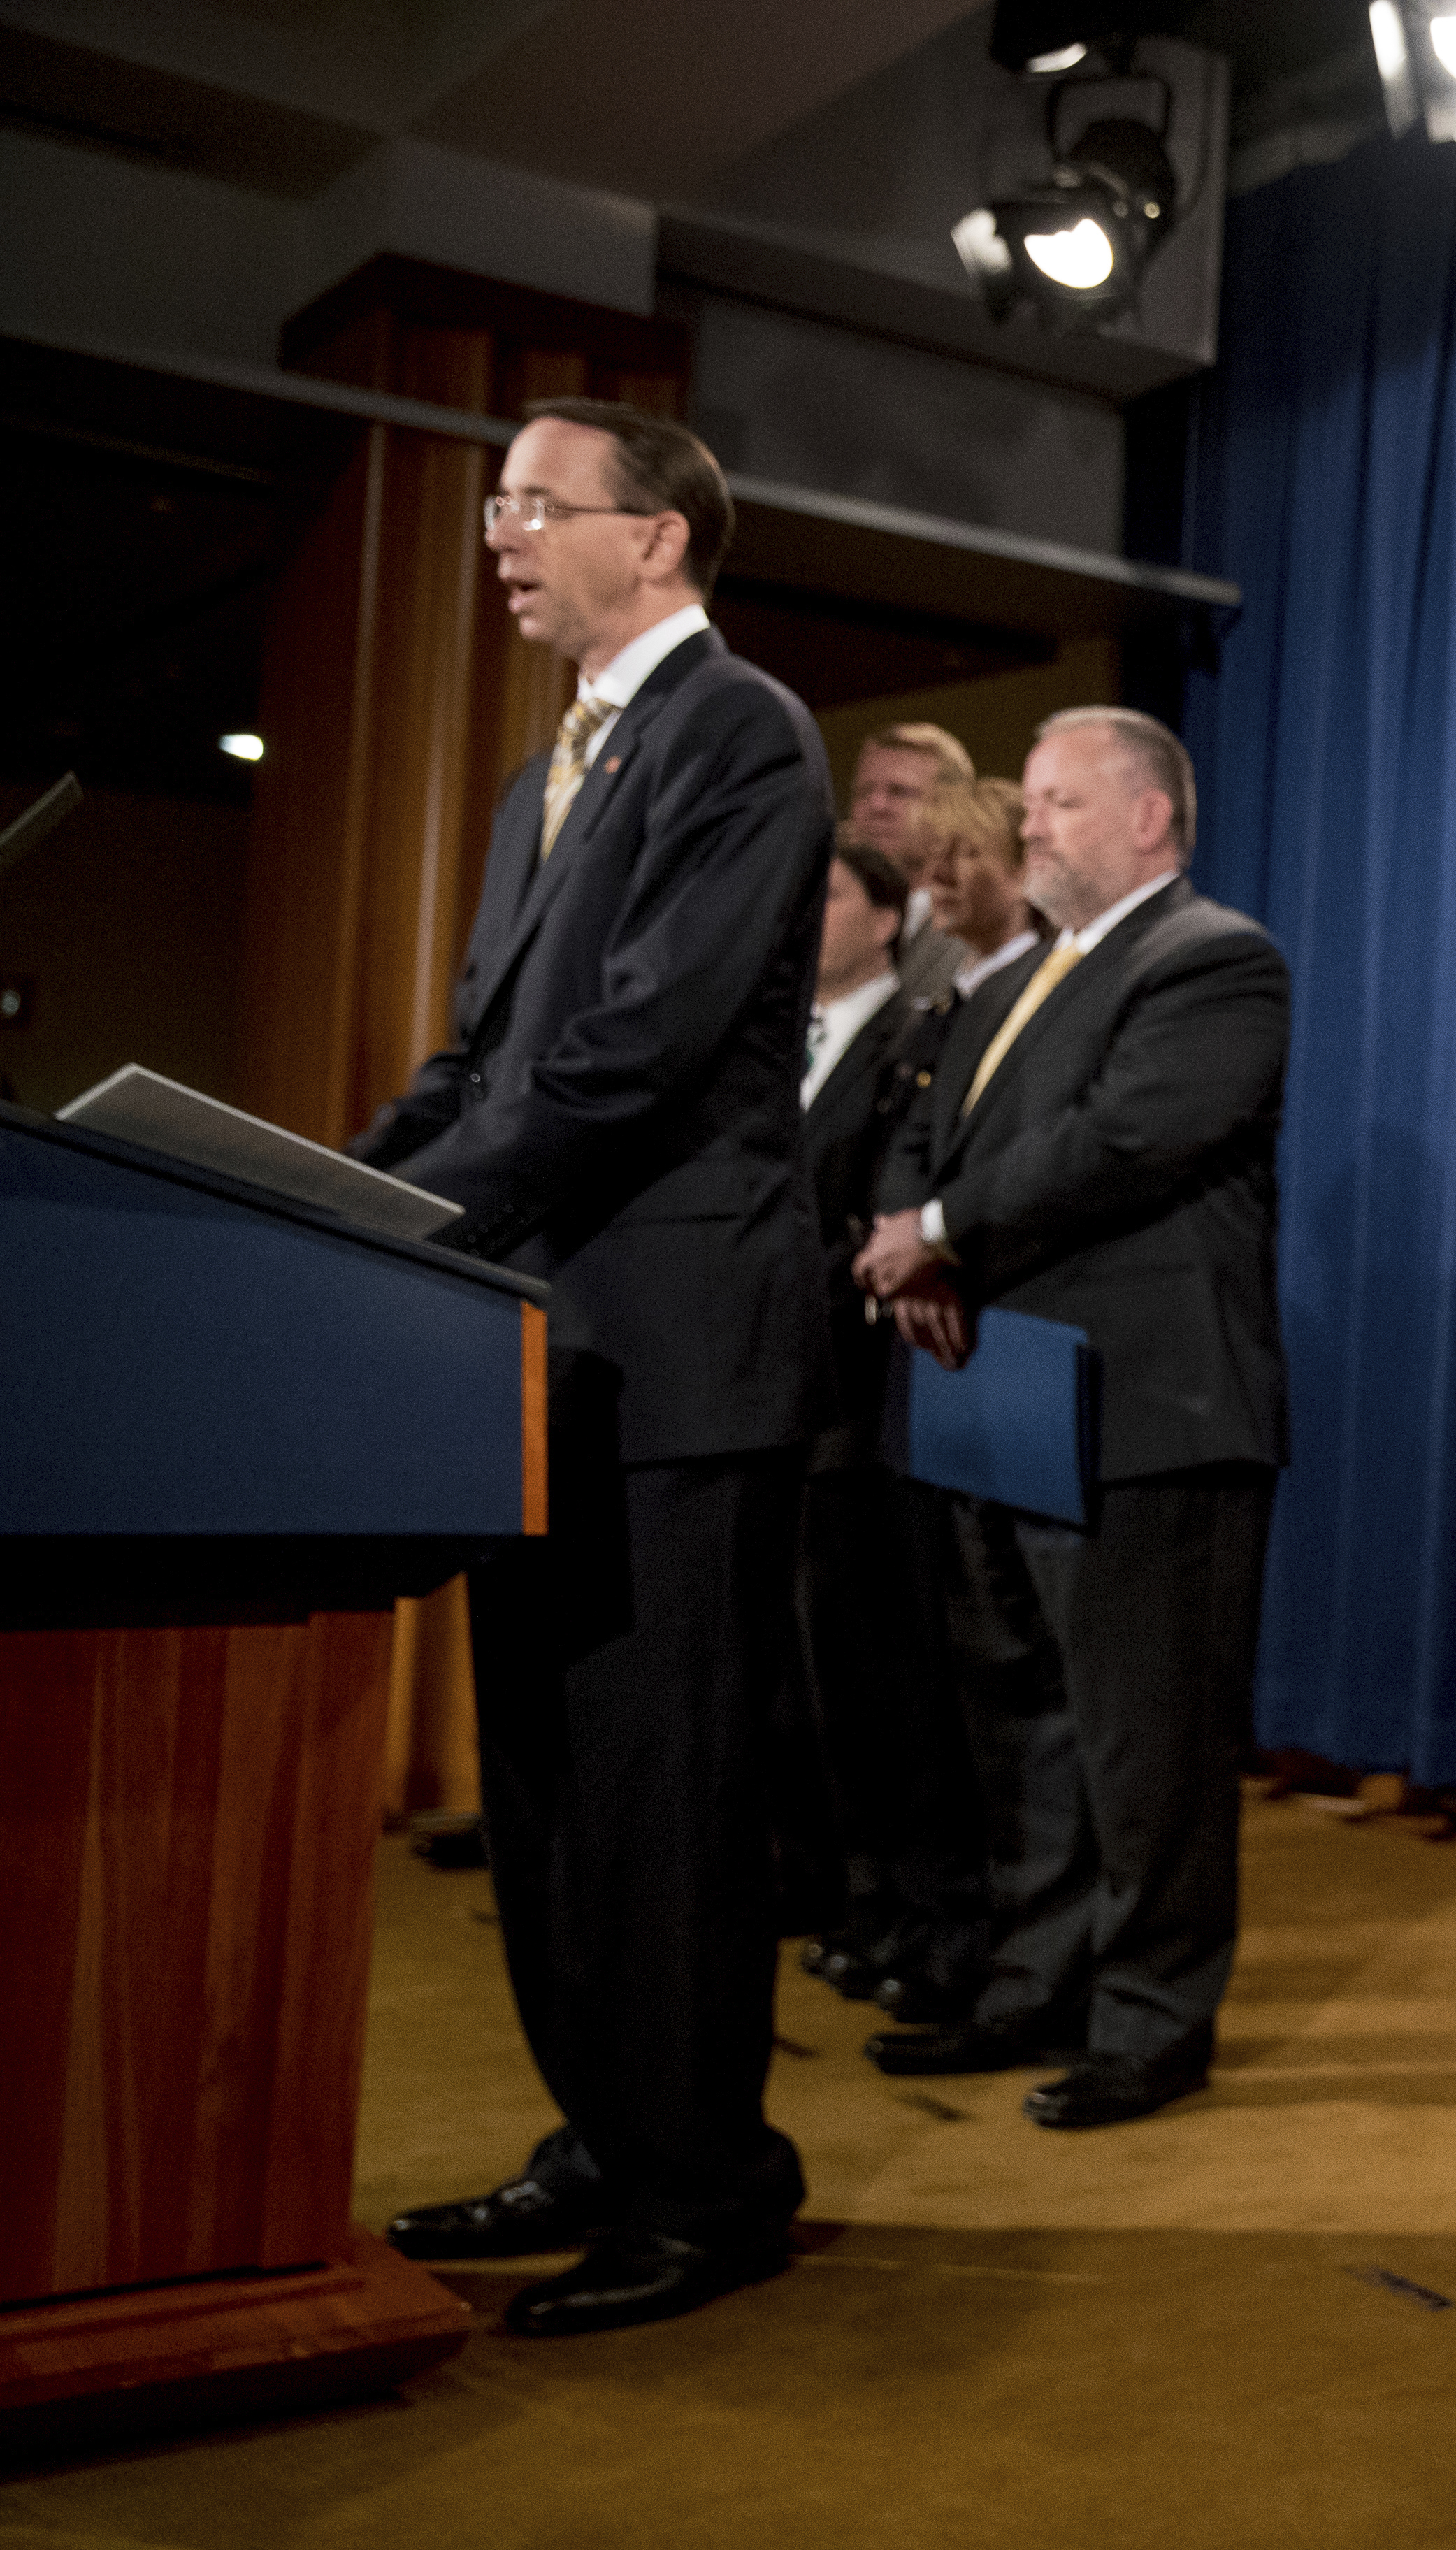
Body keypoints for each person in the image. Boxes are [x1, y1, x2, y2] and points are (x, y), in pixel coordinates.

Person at [355, 398, 832, 2337]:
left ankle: (708, 2187)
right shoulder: (543, 768)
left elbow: (631, 1056)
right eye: (494, 508)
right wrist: (335, 1195)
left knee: (665, 1804)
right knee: (548, 1795)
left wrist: (418, 1217)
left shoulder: (743, 732)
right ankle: (602, 2137)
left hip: (681, 1355)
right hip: (543, 1351)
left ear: (660, 538)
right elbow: (483, 1057)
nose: (500, 537)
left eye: (536, 507)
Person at [851, 707, 1290, 2133]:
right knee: (1023, 1726)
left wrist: (941, 1230)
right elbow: (931, 1130)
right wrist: (923, 1232)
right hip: (1005, 1399)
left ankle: (1152, 2022)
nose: (1025, 825)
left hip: (1152, 1415)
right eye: (1029, 803)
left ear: (1151, 819)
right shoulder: (1006, 982)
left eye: (1056, 804)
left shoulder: (1217, 960)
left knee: (1144, 1743)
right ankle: (1034, 1985)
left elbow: (1124, 1141)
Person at [777, 839, 981, 2024]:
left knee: (899, 1687)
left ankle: (924, 1908)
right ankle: (862, 1901)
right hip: (791, 1405)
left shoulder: (913, 1032)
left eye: (833, 894)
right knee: (821, 1690)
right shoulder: (770, 1046)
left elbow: (873, 1210)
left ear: (892, 917)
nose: (807, 916)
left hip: (869, 1396)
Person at [849, 721, 974, 1006]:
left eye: (899, 792)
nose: (876, 806)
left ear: (952, 806)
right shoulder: (825, 916)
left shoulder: (978, 919)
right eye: (864, 792)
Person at [918, 775, 1044, 1002]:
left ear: (1024, 873)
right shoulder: (937, 999)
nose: (939, 874)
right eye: (937, 850)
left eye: (967, 852)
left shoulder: (1041, 995)